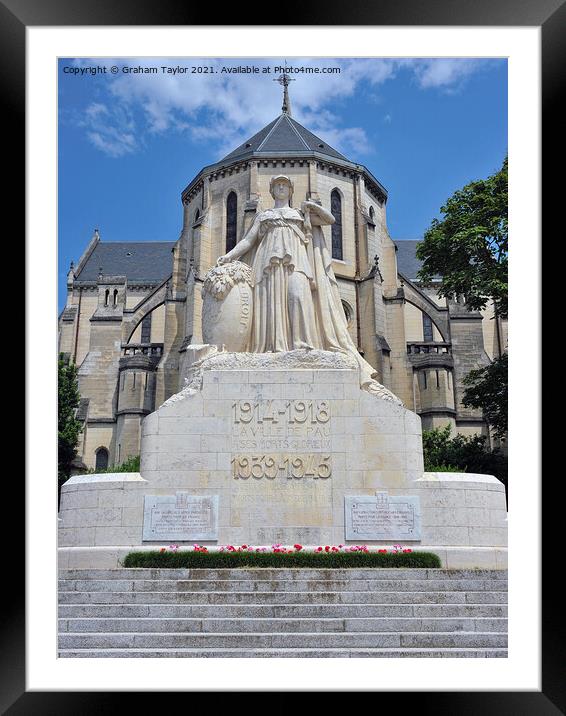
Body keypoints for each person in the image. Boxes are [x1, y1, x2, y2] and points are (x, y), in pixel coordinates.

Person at [217, 175, 400, 402]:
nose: (281, 187)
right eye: (277, 185)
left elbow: (330, 219)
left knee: (298, 296)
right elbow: (248, 241)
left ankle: (303, 345)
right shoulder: (264, 216)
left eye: (285, 185)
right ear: (272, 191)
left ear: (291, 190)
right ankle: (273, 347)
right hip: (267, 264)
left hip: (297, 262)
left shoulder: (299, 214)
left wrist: (311, 207)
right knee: (270, 305)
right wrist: (229, 256)